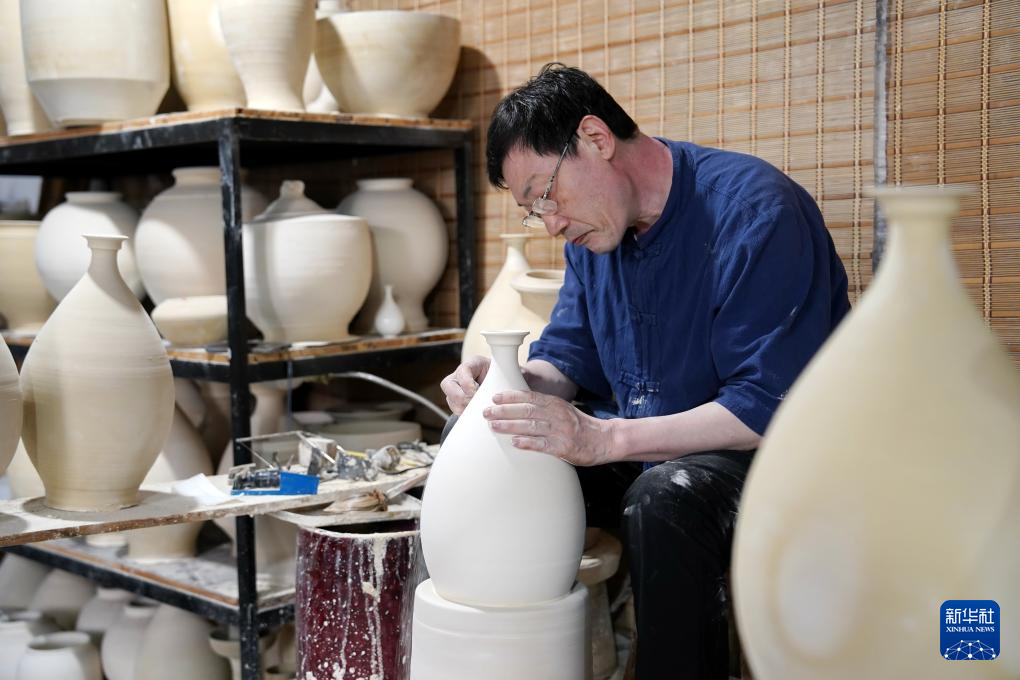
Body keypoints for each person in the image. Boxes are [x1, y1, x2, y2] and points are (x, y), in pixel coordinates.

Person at [440, 63, 851, 679]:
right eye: (533, 211)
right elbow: (568, 358)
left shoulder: (755, 211)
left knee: (665, 500)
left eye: (546, 195)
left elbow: (766, 407)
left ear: (595, 139)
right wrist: (506, 386)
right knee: (482, 443)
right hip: (641, 444)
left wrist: (604, 439)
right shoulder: (594, 235)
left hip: (767, 459)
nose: (551, 223)